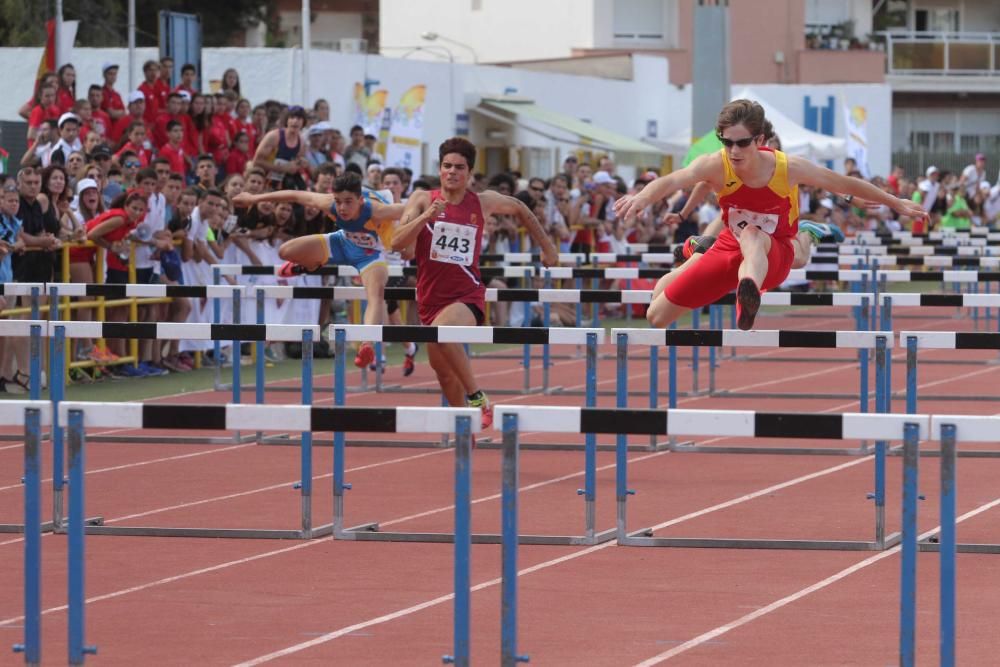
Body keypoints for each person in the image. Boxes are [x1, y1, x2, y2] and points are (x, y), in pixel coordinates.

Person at [615, 99, 927, 331]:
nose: (734, 151)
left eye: (742, 143)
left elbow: (842, 182)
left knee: (754, 235)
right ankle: (700, 257)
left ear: (760, 141)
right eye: (727, 142)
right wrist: (642, 197)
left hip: (774, 252)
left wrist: (895, 202)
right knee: (655, 315)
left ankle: (748, 295)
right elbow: (672, 181)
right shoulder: (715, 164)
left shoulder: (788, 167)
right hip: (728, 248)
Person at [391, 137, 558, 428]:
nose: (452, 172)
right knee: (442, 372)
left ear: (469, 174)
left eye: (459, 167)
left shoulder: (482, 202)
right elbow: (397, 243)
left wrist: (547, 246)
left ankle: (478, 398)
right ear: (440, 169)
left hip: (467, 295)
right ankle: (463, 424)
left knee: (444, 334)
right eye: (446, 166)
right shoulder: (421, 198)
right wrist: (427, 217)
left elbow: (519, 207)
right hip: (429, 299)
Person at [232, 171, 406, 368]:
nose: (342, 208)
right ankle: (310, 264)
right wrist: (253, 198)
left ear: (360, 199)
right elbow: (295, 195)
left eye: (348, 202)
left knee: (375, 294)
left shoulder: (377, 210)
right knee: (285, 251)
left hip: (370, 254)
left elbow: (411, 208)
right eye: (338, 201)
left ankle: (367, 344)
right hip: (341, 242)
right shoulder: (328, 203)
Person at [252, 105, 309, 190]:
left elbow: (295, 165)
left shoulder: (302, 142)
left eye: (299, 119)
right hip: (267, 181)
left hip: (286, 183)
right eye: (292, 117)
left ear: (303, 123)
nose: (295, 121)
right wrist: (282, 168)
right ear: (287, 120)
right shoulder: (274, 136)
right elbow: (256, 161)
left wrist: (301, 163)